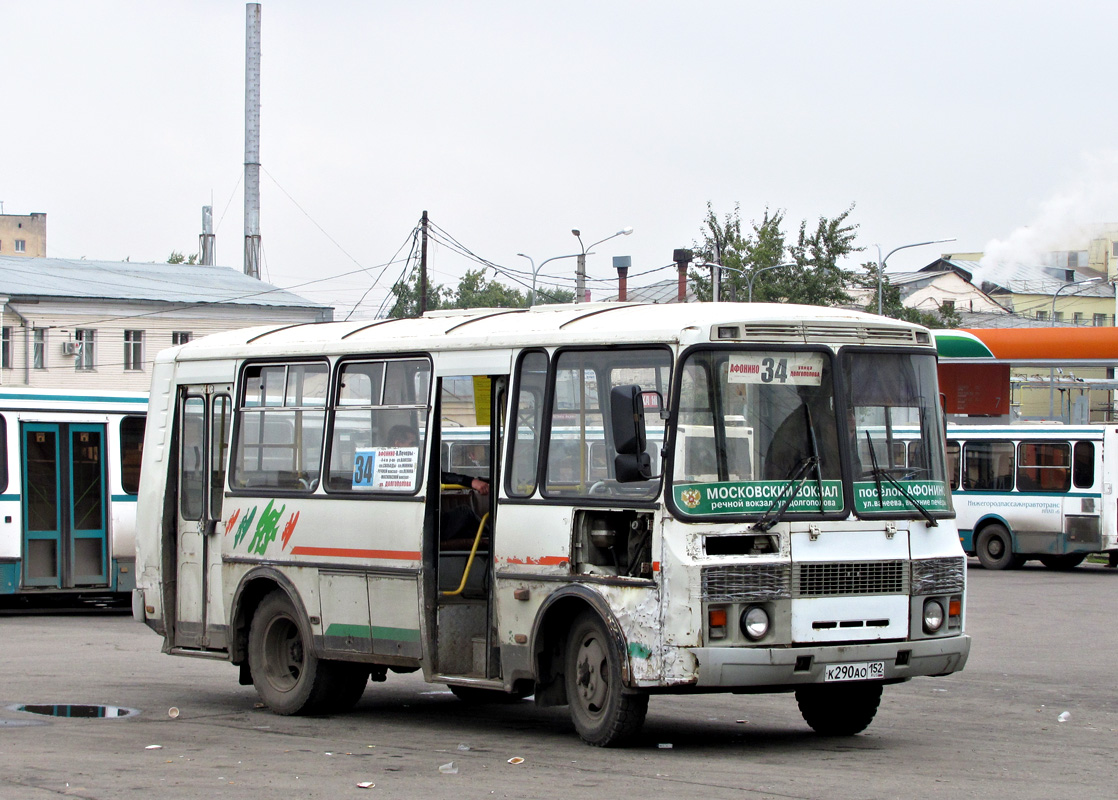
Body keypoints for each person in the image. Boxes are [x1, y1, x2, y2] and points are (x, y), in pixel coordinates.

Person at [388, 424, 489, 495]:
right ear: (397, 444)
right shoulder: (397, 468)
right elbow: (440, 477)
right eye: (411, 444)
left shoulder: (409, 464)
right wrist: (471, 482)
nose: (416, 448)